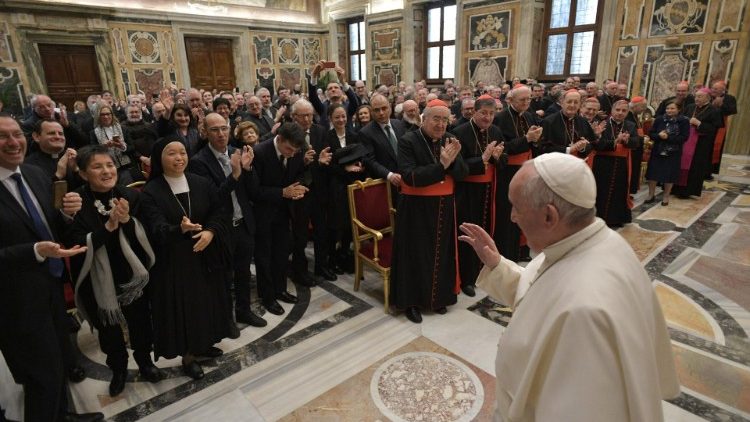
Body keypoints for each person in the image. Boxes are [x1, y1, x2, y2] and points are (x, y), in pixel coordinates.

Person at [459, 152, 680, 421]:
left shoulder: (586, 315)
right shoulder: (590, 241)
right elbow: (544, 292)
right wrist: (498, 265)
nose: (513, 217)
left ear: (549, 216)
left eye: (516, 207)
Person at [0, 114, 103, 421]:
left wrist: (68, 214)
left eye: (17, 134)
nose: (13, 142)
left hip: (52, 285)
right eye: (3, 136)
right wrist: (33, 251)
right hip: (16, 300)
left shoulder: (34, 174)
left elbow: (52, 223)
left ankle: (63, 415)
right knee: (40, 376)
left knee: (58, 361)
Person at [66, 145, 164, 397]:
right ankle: (118, 370)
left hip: (131, 276)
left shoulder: (129, 195)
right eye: (97, 167)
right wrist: (108, 227)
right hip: (97, 279)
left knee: (140, 322)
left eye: (110, 165)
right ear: (83, 173)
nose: (107, 171)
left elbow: (146, 235)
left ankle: (145, 362)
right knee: (108, 328)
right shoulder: (76, 202)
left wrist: (128, 221)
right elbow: (75, 243)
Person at [140, 137, 233, 380]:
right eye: (171, 153)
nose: (179, 158)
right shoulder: (151, 192)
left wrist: (210, 232)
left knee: (209, 302)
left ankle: (206, 342)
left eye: (182, 152)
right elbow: (156, 228)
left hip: (206, 254)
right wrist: (179, 229)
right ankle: (189, 356)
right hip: (175, 263)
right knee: (187, 309)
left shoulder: (201, 182)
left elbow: (220, 211)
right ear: (159, 158)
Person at [391, 100, 468, 323]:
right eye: (436, 119)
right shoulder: (408, 141)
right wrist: (442, 166)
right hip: (415, 210)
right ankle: (412, 303)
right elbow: (410, 177)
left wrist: (452, 163)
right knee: (415, 256)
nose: (441, 124)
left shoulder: (450, 139)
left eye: (445, 120)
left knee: (441, 254)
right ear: (424, 119)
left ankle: (438, 298)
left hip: (443, 207)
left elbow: (463, 173)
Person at [188, 113, 267, 331]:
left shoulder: (236, 152)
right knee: (223, 278)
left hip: (243, 222)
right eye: (215, 130)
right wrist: (234, 175)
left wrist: (248, 170)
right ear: (205, 132)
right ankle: (226, 320)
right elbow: (212, 198)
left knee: (243, 272)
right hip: (221, 228)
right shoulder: (198, 162)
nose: (221, 134)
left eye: (224, 128)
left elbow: (252, 190)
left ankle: (244, 310)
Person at [252, 123, 310, 316]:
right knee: (264, 257)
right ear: (280, 138)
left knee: (282, 253)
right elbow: (254, 191)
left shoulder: (296, 150)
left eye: (295, 151)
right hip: (263, 213)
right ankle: (267, 296)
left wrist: (300, 187)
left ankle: (280, 289)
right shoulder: (259, 153)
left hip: (285, 212)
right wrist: (282, 192)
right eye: (289, 149)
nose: (292, 154)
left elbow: (300, 173)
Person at [453, 95, 505, 297]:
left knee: (487, 232)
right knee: (469, 235)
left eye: (491, 113)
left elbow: (503, 159)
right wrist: (482, 159)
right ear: (474, 112)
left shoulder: (496, 131)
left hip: (489, 191)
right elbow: (458, 167)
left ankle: (485, 270)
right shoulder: (459, 132)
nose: (488, 117)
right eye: (483, 113)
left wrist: (498, 158)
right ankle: (467, 278)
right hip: (467, 193)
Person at [494, 86, 542, 262]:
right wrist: (527, 139)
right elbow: (502, 147)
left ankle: (522, 250)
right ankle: (507, 253)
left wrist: (535, 141)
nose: (526, 102)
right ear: (510, 100)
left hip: (527, 168)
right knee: (509, 212)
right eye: (522, 100)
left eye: (529, 99)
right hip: (508, 172)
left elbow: (536, 143)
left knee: (526, 209)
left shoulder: (530, 116)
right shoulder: (500, 118)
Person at [325, 104, 363, 273]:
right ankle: (332, 258)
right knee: (335, 224)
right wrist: (345, 169)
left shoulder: (355, 135)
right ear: (330, 119)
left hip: (352, 185)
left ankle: (345, 255)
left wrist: (359, 165)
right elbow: (327, 165)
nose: (341, 120)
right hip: (334, 187)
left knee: (349, 223)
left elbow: (360, 156)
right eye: (337, 117)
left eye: (343, 116)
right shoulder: (326, 137)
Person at [591, 99, 640, 227]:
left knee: (619, 191)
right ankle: (599, 218)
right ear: (612, 110)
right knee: (601, 190)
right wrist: (615, 142)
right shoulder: (603, 123)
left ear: (627, 112)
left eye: (624, 110)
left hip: (622, 164)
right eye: (617, 110)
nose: (620, 113)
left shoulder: (630, 125)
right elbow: (598, 144)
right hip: (603, 163)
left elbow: (636, 142)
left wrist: (626, 141)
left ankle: (616, 219)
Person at [673, 88, 723, 198]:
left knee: (695, 167)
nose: (696, 98)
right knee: (681, 164)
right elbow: (680, 119)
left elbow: (714, 129)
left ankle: (688, 191)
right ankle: (676, 189)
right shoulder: (690, 107)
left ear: (707, 98)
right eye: (696, 96)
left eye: (700, 96)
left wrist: (699, 124)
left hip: (700, 144)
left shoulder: (714, 111)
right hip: (686, 141)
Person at [360, 94, 407, 196]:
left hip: (406, 180)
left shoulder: (398, 124)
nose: (381, 113)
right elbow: (369, 161)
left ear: (390, 108)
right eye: (377, 110)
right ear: (372, 112)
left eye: (384, 108)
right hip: (385, 184)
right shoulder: (366, 132)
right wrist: (389, 175)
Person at [645, 101, 690, 205]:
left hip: (673, 152)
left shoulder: (683, 121)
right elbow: (651, 134)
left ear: (679, 109)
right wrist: (659, 136)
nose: (669, 110)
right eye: (667, 108)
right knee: (653, 173)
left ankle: (666, 196)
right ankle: (651, 194)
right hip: (657, 151)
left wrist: (668, 138)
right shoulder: (659, 119)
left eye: (672, 108)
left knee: (669, 174)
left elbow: (684, 137)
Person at [539, 90, 596, 156]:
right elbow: (543, 148)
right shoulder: (549, 121)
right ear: (562, 103)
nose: (572, 105)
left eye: (576, 102)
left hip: (577, 161)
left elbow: (592, 143)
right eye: (569, 102)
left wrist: (582, 148)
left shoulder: (583, 121)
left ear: (580, 105)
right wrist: (568, 149)